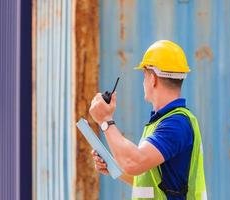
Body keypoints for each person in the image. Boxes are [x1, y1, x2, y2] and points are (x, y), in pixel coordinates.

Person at [89, 40, 207, 200]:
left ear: (153, 78)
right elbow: (147, 179)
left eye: (144, 75)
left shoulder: (176, 124)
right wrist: (113, 165)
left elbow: (134, 162)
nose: (144, 82)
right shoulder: (165, 122)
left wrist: (105, 121)